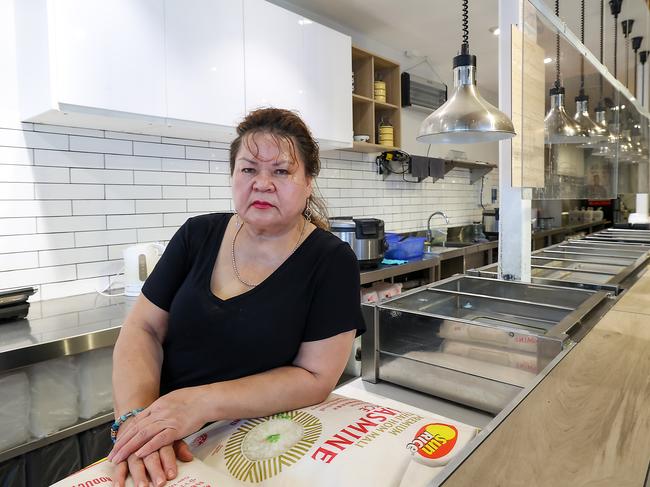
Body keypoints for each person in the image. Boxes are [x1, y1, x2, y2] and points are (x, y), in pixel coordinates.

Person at [107, 108, 365, 487]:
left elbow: (315, 377)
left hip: (256, 448)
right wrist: (136, 420)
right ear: (232, 176)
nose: (262, 183)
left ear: (309, 181)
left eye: (281, 171)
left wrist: (196, 403)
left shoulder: (330, 261)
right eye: (248, 170)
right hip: (161, 440)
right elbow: (142, 329)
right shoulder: (197, 235)